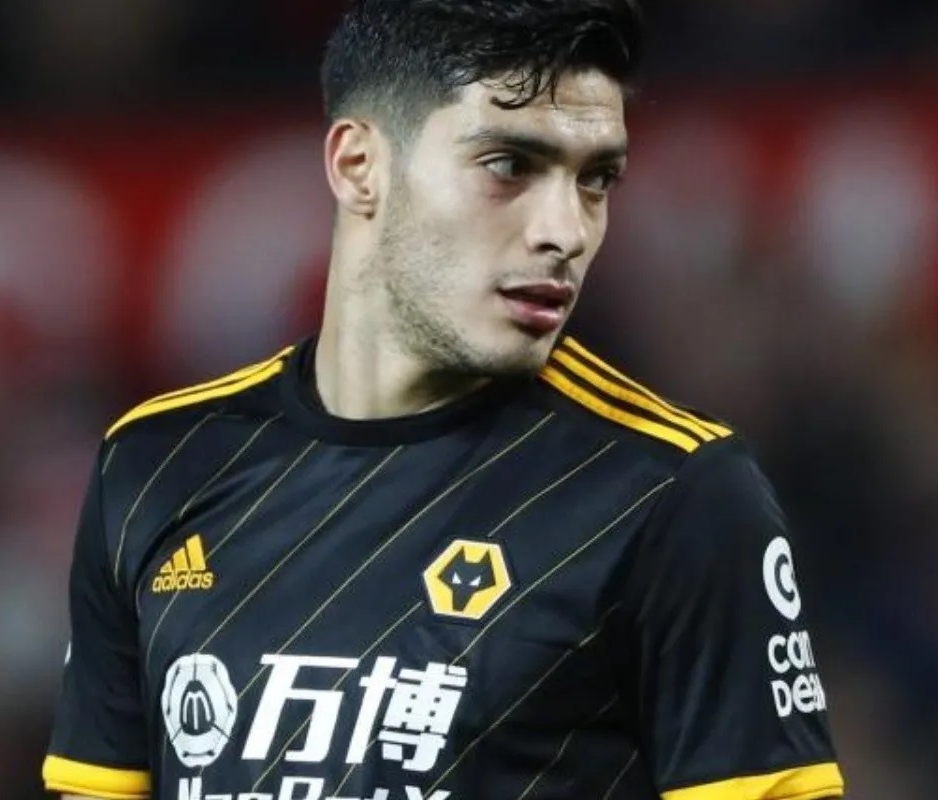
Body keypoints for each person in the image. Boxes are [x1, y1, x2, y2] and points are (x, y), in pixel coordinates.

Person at [42, 2, 845, 799]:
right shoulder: (156, 466)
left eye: (595, 179)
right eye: (509, 166)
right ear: (359, 166)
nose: (565, 231)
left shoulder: (672, 495)